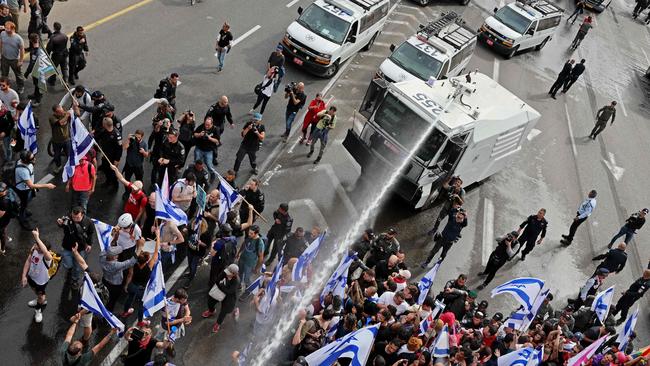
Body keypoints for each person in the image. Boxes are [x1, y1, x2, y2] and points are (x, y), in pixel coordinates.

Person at [14, 150, 56, 229]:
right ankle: (22, 218)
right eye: (32, 158)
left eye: (33, 157)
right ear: (26, 160)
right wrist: (47, 185)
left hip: (27, 187)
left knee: (28, 199)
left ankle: (23, 208)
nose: (35, 159)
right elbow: (31, 186)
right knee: (24, 203)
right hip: (23, 190)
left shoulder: (25, 162)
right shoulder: (23, 171)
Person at [121, 237, 160, 320]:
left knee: (130, 298)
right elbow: (156, 252)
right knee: (141, 305)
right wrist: (158, 236)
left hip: (132, 285)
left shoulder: (133, 265)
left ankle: (125, 312)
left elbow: (130, 275)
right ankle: (140, 320)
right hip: (142, 289)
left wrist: (126, 285)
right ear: (147, 260)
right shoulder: (149, 266)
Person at [58, 206, 94, 288]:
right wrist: (60, 223)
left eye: (77, 217)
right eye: (73, 217)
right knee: (68, 264)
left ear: (82, 215)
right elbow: (61, 225)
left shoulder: (89, 222)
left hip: (80, 248)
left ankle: (75, 279)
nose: (74, 219)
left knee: (77, 266)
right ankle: (70, 269)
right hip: (67, 246)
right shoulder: (68, 218)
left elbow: (90, 233)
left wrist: (89, 244)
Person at [21, 228, 52, 323]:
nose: (36, 248)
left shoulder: (47, 257)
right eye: (36, 246)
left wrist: (37, 237)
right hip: (32, 277)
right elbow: (28, 261)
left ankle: (38, 309)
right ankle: (39, 299)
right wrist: (24, 276)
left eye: (39, 248)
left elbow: (45, 252)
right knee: (36, 292)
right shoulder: (34, 249)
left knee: (41, 296)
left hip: (41, 281)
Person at [204, 263, 240, 333]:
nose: (227, 274)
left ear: (234, 274)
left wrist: (222, 286)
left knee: (224, 311)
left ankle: (218, 323)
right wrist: (223, 287)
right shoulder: (225, 272)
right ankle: (211, 311)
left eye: (229, 273)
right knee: (210, 301)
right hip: (220, 291)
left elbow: (230, 291)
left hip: (229, 297)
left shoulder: (236, 281)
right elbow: (217, 280)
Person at [100, 245, 137, 311]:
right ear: (114, 257)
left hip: (105, 281)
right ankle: (108, 313)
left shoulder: (102, 257)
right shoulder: (116, 265)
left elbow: (105, 251)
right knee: (112, 301)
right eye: (117, 254)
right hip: (115, 286)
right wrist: (139, 247)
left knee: (103, 296)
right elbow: (131, 262)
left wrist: (115, 239)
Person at [96, 118, 122, 190]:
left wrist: (117, 160)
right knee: (106, 169)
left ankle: (115, 186)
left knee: (113, 173)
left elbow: (119, 149)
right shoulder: (104, 131)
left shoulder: (117, 135)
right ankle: (108, 182)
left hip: (113, 158)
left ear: (105, 125)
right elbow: (97, 136)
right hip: (105, 155)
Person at [236, 224, 264, 288]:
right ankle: (239, 284)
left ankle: (248, 289)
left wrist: (256, 268)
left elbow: (261, 258)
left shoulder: (260, 243)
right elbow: (244, 243)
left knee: (247, 278)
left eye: (251, 233)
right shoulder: (249, 237)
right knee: (240, 272)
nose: (249, 234)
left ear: (256, 233)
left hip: (250, 264)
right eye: (249, 232)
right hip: (242, 259)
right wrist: (239, 253)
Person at [0, 21, 25, 94]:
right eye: (5, 27)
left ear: (13, 29)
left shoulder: (18, 38)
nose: (6, 29)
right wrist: (0, 53)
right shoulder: (2, 34)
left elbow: (22, 50)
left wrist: (20, 60)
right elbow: (1, 42)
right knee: (4, 74)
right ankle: (4, 85)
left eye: (8, 28)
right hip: (4, 58)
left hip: (14, 60)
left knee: (18, 75)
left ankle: (21, 87)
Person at [193, 116, 220, 182]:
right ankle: (196, 174)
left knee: (209, 164)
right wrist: (199, 134)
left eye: (208, 125)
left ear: (212, 124)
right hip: (199, 148)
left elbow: (217, 141)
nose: (206, 126)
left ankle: (212, 174)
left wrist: (209, 138)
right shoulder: (201, 126)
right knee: (197, 162)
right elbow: (194, 134)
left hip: (209, 150)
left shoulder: (215, 129)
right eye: (205, 124)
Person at [48, 104, 71, 173]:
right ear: (55, 112)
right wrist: (67, 115)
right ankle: (59, 166)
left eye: (62, 110)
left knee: (69, 154)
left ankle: (70, 165)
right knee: (57, 156)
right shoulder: (52, 118)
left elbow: (77, 116)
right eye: (60, 111)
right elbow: (60, 123)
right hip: (56, 141)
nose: (62, 112)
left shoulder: (65, 114)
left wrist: (74, 109)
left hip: (66, 139)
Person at [45, 21, 68, 85]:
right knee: (64, 68)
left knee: (54, 68)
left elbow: (49, 48)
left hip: (56, 55)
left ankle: (52, 80)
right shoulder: (65, 36)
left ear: (54, 28)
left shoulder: (53, 38)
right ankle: (65, 80)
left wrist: (48, 56)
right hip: (64, 54)